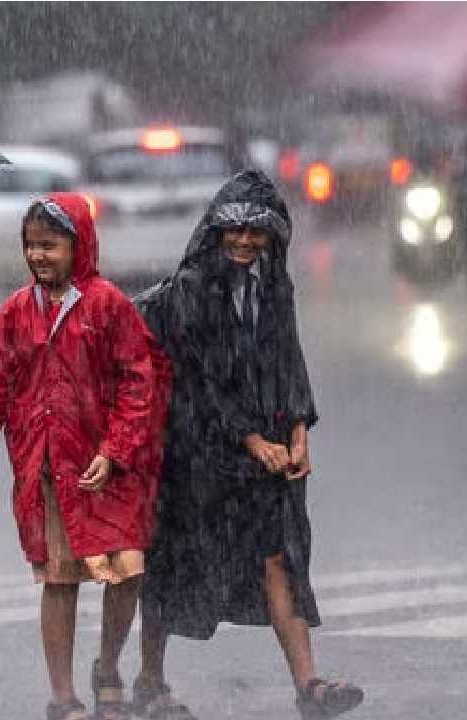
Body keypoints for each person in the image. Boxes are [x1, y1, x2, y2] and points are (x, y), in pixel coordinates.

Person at [132, 170, 363, 720]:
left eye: (255, 232)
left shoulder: (273, 285)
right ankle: (148, 680)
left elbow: (289, 362)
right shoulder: (191, 290)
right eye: (232, 230)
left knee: (280, 559)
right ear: (215, 231)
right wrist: (252, 439)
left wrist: (300, 433)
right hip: (196, 454)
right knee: (175, 564)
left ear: (273, 237)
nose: (243, 241)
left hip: (266, 454)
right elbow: (201, 376)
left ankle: (309, 686)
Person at [0, 194, 165, 720]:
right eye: (31, 245)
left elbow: (139, 382)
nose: (39, 256)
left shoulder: (108, 305)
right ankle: (62, 697)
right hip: (48, 470)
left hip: (108, 470)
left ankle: (107, 667)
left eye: (51, 245)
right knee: (60, 580)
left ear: (79, 245)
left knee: (126, 572)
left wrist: (117, 448)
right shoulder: (15, 314)